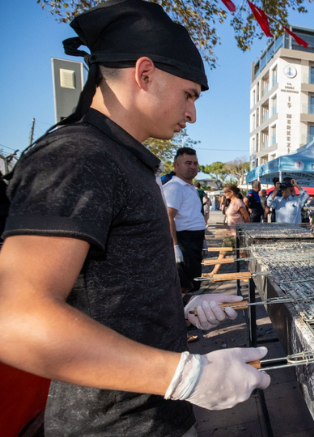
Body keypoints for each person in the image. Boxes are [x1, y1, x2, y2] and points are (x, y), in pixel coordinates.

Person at [0, 1, 270, 435]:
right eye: (189, 95)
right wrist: (186, 376)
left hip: (159, 416)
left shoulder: (125, 160)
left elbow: (106, 295)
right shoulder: (78, 155)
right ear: (144, 75)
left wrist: (178, 310)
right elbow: (14, 319)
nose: (192, 113)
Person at [163, 147, 207, 294]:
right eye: (188, 163)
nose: (193, 167)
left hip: (194, 240)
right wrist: (175, 246)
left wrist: (203, 241)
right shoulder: (174, 188)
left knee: (193, 284)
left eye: (195, 163)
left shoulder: (190, 188)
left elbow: (194, 215)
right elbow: (168, 217)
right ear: (176, 165)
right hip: (183, 240)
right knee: (184, 287)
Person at [207, 184, 249, 277]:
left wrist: (242, 231)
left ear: (231, 192)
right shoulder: (231, 202)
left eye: (225, 192)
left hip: (238, 234)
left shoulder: (238, 203)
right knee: (222, 252)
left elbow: (247, 218)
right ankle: (213, 272)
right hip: (231, 233)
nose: (224, 194)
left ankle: (253, 271)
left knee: (244, 254)